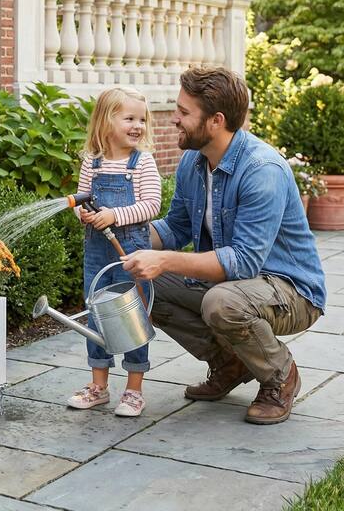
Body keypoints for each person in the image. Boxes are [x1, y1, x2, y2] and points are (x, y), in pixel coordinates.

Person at [122, 67, 326, 425]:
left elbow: (243, 262)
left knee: (221, 303)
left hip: (291, 291)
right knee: (140, 283)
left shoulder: (262, 170)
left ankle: (280, 375)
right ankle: (229, 363)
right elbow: (176, 228)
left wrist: (165, 260)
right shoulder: (193, 161)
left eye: (184, 112)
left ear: (216, 121)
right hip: (236, 285)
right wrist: (122, 229)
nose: (175, 120)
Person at [68, 87, 161, 417]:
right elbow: (81, 200)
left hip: (131, 252)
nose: (138, 126)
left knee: (133, 317)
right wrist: (84, 214)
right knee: (97, 314)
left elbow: (151, 205)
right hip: (97, 252)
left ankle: (134, 389)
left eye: (142, 120)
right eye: (129, 118)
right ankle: (99, 385)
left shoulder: (142, 163)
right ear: (106, 121)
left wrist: (114, 215)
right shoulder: (91, 164)